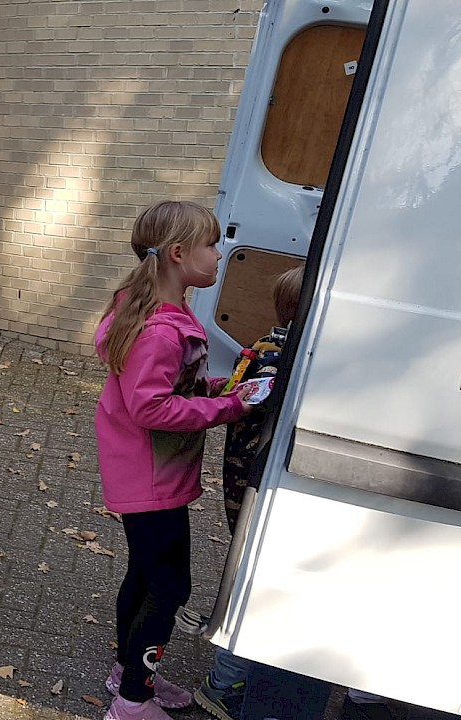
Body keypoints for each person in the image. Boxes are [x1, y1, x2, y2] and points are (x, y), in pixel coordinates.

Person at [93, 200, 256, 720]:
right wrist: (229, 408)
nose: (219, 253)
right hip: (152, 480)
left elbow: (173, 384)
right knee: (169, 589)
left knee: (145, 577)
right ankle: (131, 703)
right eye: (212, 244)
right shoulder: (161, 329)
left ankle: (129, 674)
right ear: (179, 253)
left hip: (149, 474)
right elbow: (151, 406)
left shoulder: (160, 311)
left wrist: (221, 389)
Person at [195, 264, 304, 720]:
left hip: (247, 487)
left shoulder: (265, 349)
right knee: (255, 579)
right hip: (257, 490)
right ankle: (224, 682)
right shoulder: (281, 362)